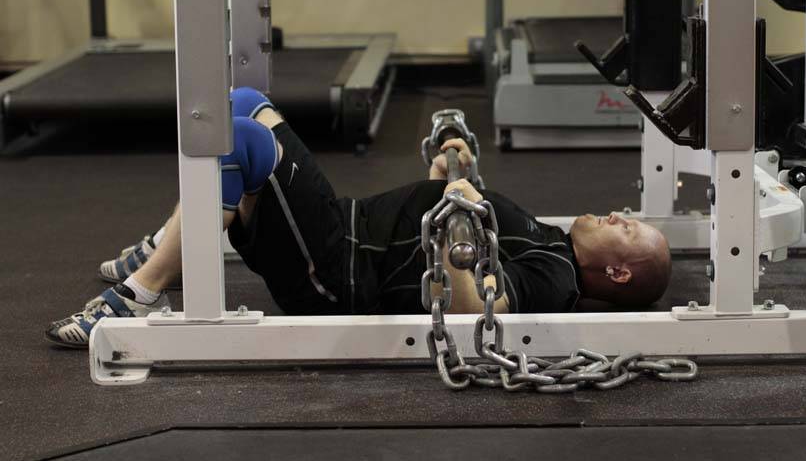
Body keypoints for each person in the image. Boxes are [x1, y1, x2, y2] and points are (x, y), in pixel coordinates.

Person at [45, 88, 672, 348]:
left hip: (337, 271)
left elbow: (474, 309)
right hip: (342, 228)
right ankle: (167, 248)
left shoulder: (555, 277)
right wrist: (451, 173)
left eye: (626, 228)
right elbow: (438, 213)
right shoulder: (547, 236)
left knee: (241, 141)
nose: (617, 214)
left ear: (617, 273)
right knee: (241, 103)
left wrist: (463, 231)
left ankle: (140, 294)